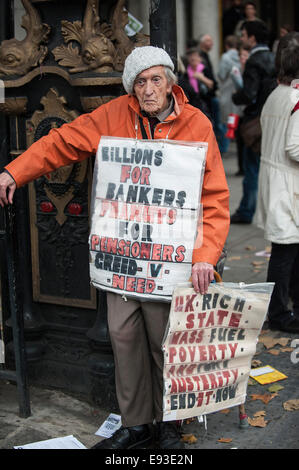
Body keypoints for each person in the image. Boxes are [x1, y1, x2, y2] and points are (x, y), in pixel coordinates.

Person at [0, 46, 230, 449]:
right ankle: (137, 424)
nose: (148, 89)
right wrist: (13, 173)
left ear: (171, 81)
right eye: (139, 82)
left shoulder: (198, 124)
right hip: (123, 256)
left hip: (171, 259)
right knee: (122, 335)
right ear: (130, 88)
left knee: (166, 338)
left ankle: (172, 423)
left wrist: (205, 257)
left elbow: (215, 198)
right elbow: (62, 142)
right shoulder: (114, 115)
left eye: (156, 79)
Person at [256, 32, 299, 334]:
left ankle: (285, 305)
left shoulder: (277, 93)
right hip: (287, 181)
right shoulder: (296, 98)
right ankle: (280, 312)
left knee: (287, 248)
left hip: (275, 178)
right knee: (285, 250)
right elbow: (294, 147)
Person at [230, 21, 276, 224]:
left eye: (244, 34)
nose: (242, 38)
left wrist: (236, 96)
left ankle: (247, 210)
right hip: (272, 118)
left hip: (255, 123)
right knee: (267, 168)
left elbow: (249, 94)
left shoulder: (254, 61)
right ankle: (266, 211)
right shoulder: (274, 58)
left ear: (252, 38)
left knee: (251, 169)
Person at [199, 34, 226, 153]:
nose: (211, 43)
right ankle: (218, 149)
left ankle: (219, 149)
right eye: (208, 41)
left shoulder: (206, 56)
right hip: (207, 96)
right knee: (215, 125)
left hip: (210, 95)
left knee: (217, 124)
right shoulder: (201, 57)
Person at [218, 35, 243, 155]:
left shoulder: (225, 57)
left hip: (226, 93)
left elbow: (221, 75)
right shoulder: (241, 56)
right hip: (238, 93)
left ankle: (224, 148)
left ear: (226, 45)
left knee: (224, 121)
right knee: (236, 119)